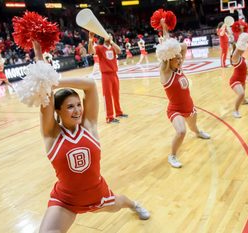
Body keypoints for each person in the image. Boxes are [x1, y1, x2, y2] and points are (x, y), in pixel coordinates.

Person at [27, 41, 150, 233]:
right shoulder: (51, 134)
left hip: (97, 195)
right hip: (65, 201)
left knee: (120, 203)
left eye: (78, 104)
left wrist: (56, 81)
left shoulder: (89, 126)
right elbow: (45, 98)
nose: (77, 110)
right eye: (70, 106)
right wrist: (39, 58)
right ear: (57, 110)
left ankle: (135, 204)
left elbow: (91, 85)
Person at [157, 19, 210, 168]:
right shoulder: (165, 73)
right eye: (177, 58)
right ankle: (172, 155)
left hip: (190, 107)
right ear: (170, 59)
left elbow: (184, 46)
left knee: (194, 128)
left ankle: (198, 132)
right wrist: (164, 29)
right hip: (175, 110)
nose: (181, 60)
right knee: (181, 131)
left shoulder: (179, 69)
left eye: (181, 58)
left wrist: (175, 47)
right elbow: (168, 51)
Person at [88, 32, 128, 123]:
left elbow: (119, 51)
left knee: (116, 94)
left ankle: (118, 112)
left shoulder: (113, 47)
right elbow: (90, 51)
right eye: (107, 35)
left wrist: (112, 42)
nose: (109, 36)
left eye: (110, 35)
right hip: (106, 75)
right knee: (107, 96)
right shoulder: (99, 48)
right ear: (104, 37)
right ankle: (109, 117)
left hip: (114, 74)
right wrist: (90, 39)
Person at [229, 33, 248, 118]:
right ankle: (235, 111)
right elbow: (237, 49)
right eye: (243, 48)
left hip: (242, 80)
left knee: (243, 94)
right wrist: (240, 41)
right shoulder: (235, 57)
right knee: (241, 94)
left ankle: (244, 101)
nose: (244, 49)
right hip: (235, 80)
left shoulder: (242, 57)